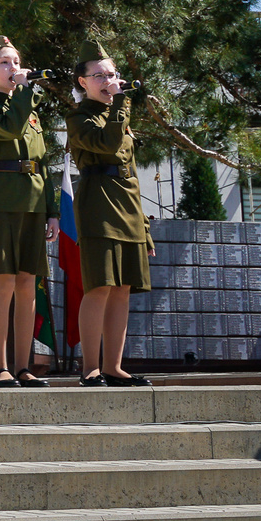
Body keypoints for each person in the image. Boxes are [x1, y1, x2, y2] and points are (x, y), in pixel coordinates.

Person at [68, 38, 155, 388]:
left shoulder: (120, 112)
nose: (109, 82)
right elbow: (105, 144)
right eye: (100, 76)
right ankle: (90, 367)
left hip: (128, 207)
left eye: (113, 75)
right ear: (83, 82)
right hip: (98, 205)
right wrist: (120, 102)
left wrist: (144, 226)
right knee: (100, 287)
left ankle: (113, 366)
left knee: (123, 289)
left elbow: (131, 171)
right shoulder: (78, 117)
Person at [0, 34, 52, 388]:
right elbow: (10, 127)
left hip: (33, 202)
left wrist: (52, 210)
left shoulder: (27, 107)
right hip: (3, 202)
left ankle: (23, 366)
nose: (13, 69)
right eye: (4, 63)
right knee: (3, 283)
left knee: (27, 284)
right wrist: (23, 93)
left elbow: (43, 162)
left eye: (16, 62)